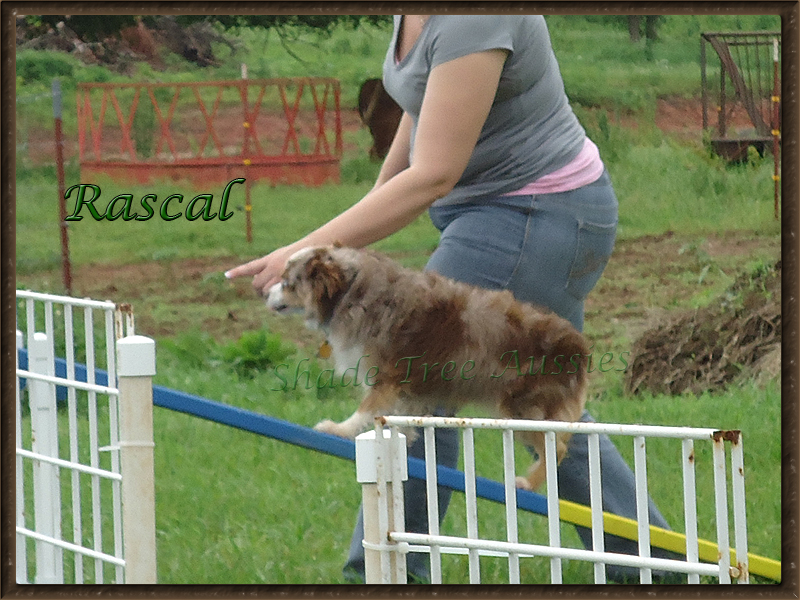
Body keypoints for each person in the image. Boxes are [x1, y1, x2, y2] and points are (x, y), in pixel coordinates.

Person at [226, 15, 682, 584]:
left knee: (414, 380)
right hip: (509, 213)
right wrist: (371, 207)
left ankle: (383, 569)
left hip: (534, 216)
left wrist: (311, 247)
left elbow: (434, 174)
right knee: (535, 393)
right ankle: (653, 563)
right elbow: (424, 105)